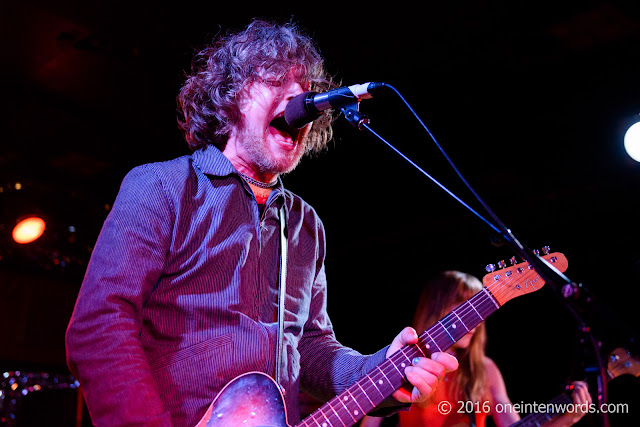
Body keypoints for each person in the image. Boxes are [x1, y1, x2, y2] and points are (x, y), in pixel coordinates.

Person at [65, 19, 458, 426]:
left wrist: (381, 370)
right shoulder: (162, 187)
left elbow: (310, 350)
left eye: (306, 94)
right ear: (231, 97)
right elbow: (100, 327)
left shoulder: (306, 225)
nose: (299, 103)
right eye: (277, 83)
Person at [361, 271, 592, 427]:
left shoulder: (486, 369)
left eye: (479, 312)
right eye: (465, 307)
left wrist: (565, 420)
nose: (476, 321)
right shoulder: (400, 363)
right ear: (436, 308)